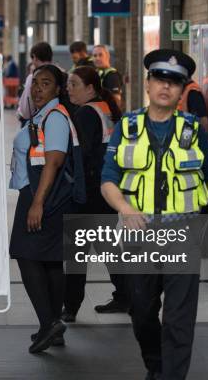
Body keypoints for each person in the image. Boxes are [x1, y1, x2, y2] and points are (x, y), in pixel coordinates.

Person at [100, 49, 208, 380]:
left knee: (179, 317)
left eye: (175, 82)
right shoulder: (127, 127)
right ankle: (156, 364)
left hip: (183, 234)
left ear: (181, 91)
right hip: (139, 234)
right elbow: (108, 181)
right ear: (148, 84)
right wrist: (125, 208)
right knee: (142, 310)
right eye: (160, 79)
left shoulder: (192, 131)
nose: (166, 87)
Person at [9, 64, 85, 354]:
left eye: (46, 83)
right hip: (48, 195)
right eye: (35, 84)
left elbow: (53, 161)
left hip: (43, 196)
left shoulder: (53, 117)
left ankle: (48, 323)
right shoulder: (45, 115)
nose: (39, 89)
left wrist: (37, 203)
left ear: (57, 89)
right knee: (52, 261)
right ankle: (52, 326)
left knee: (25, 255)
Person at [63, 66, 128, 322]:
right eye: (68, 84)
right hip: (106, 190)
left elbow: (82, 156)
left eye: (74, 84)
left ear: (90, 88)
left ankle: (70, 307)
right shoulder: (105, 109)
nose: (69, 89)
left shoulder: (87, 114)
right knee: (108, 247)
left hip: (89, 193)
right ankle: (126, 297)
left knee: (77, 252)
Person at [17, 42, 57, 121]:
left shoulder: (33, 78)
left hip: (39, 120)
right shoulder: (61, 73)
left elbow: (26, 110)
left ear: (35, 57)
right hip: (57, 115)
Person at [92, 44, 124, 109]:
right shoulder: (97, 73)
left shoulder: (112, 75)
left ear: (107, 56)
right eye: (95, 56)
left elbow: (117, 101)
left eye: (100, 55)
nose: (97, 58)